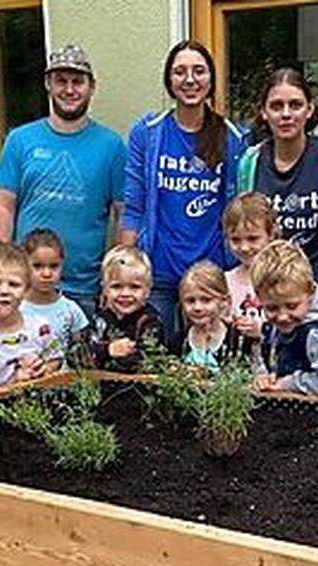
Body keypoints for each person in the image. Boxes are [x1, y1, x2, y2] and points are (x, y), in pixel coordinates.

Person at [122, 40, 247, 345]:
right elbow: (133, 206)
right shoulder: (148, 133)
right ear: (169, 81)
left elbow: (239, 212)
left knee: (211, 362)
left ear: (211, 80)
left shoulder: (233, 137)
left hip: (212, 273)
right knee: (157, 358)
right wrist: (124, 266)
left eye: (199, 71)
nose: (190, 80)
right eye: (180, 72)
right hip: (160, 268)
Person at [0, 44, 126, 319]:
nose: (69, 89)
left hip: (84, 290)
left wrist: (115, 278)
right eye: (61, 81)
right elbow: (4, 205)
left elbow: (123, 214)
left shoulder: (111, 145)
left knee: (80, 362)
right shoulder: (20, 140)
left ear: (91, 86)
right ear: (48, 84)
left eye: (78, 82)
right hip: (23, 287)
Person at [237, 67, 318, 289]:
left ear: (309, 110)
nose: (286, 114)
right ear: (264, 112)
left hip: (317, 285)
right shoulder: (250, 162)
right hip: (266, 287)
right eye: (276, 106)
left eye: (295, 105)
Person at [251, 240, 318, 398]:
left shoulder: (315, 335)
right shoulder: (272, 326)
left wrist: (289, 383)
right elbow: (265, 359)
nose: (283, 316)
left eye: (292, 306)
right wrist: (264, 376)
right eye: (272, 308)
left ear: (311, 294)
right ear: (259, 299)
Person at [0, 243, 56, 386]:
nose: (4, 291)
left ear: (26, 290)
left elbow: (55, 359)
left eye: (14, 284)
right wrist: (14, 381)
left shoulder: (39, 327)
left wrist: (41, 371)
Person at [21, 228, 91, 364]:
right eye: (37, 266)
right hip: (24, 380)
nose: (46, 273)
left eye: (54, 266)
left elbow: (82, 352)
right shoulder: (16, 309)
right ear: (23, 266)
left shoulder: (70, 310)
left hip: (63, 381)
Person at [222, 192, 278, 360]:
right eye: (236, 240)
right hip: (234, 373)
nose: (244, 247)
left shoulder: (286, 280)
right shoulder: (226, 281)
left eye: (253, 238)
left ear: (271, 234)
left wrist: (262, 330)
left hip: (276, 374)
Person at [88, 245, 162, 372]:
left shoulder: (149, 320)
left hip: (138, 388)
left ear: (147, 290)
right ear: (104, 289)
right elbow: (78, 355)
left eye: (134, 287)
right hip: (99, 388)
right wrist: (109, 350)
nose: (125, 294)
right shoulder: (101, 318)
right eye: (116, 286)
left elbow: (147, 359)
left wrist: (101, 355)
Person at [175, 261, 249, 371]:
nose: (197, 307)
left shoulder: (237, 339)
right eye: (190, 301)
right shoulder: (179, 339)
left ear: (224, 301)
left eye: (206, 300)